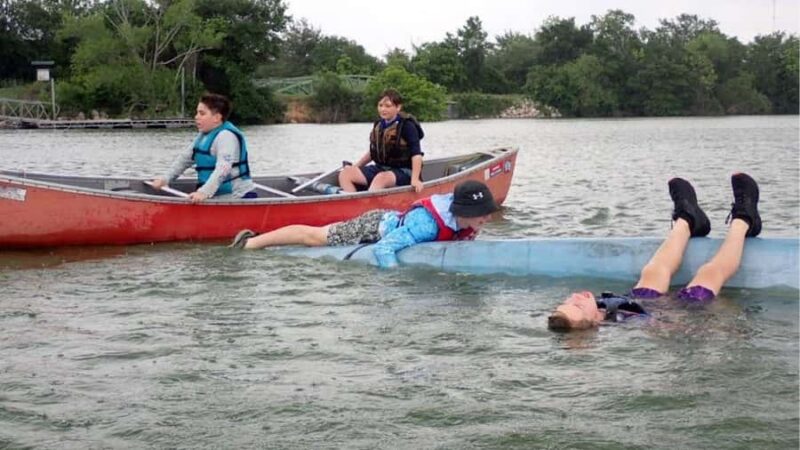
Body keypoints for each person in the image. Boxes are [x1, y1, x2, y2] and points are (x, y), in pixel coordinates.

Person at [548, 173, 762, 331]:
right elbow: (661, 326)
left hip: (646, 299)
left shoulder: (597, 309)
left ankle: (687, 219)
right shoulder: (624, 321)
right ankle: (744, 219)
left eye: (568, 301)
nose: (576, 297)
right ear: (595, 320)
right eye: (578, 305)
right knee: (709, 273)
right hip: (687, 309)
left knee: (652, 271)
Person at [230, 180, 499, 268]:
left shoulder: (468, 222)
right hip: (373, 227)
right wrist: (396, 278)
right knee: (315, 237)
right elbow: (384, 249)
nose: (486, 219)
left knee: (318, 235)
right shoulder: (425, 225)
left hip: (388, 221)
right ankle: (252, 242)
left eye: (487, 213)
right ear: (462, 211)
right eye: (481, 214)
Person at [151, 93, 255, 203]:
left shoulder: (226, 136)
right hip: (216, 196)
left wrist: (204, 192)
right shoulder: (203, 135)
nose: (196, 117)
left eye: (202, 113)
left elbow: (223, 169)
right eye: (197, 113)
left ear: (217, 118)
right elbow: (184, 160)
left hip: (237, 197)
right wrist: (166, 178)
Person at [338, 89, 425, 193]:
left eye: (388, 106)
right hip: (381, 169)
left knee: (381, 179)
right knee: (345, 174)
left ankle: (369, 204)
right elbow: (373, 152)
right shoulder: (379, 125)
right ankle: (353, 203)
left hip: (404, 171)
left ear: (398, 107)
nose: (383, 109)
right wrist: (356, 166)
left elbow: (416, 155)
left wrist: (415, 179)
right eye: (380, 105)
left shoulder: (407, 126)